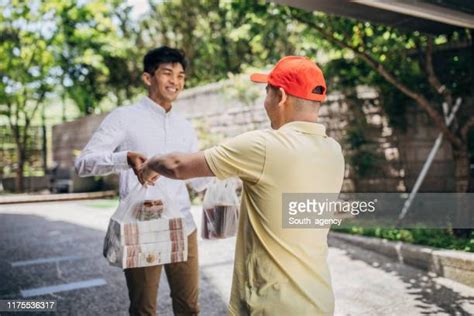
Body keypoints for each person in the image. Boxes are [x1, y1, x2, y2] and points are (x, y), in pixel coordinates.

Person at [138, 56, 345, 315]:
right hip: (318, 299)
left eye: (266, 92)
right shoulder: (333, 151)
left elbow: (178, 165)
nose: (265, 102)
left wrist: (149, 166)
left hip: (271, 304)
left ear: (280, 96)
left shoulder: (265, 145)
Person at [75, 46, 208, 316]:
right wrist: (124, 158)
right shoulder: (124, 117)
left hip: (184, 226)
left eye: (181, 76)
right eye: (167, 73)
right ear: (148, 78)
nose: (176, 82)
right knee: (144, 309)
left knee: (189, 307)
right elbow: (83, 163)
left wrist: (226, 185)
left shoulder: (184, 125)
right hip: (141, 225)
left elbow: (198, 181)